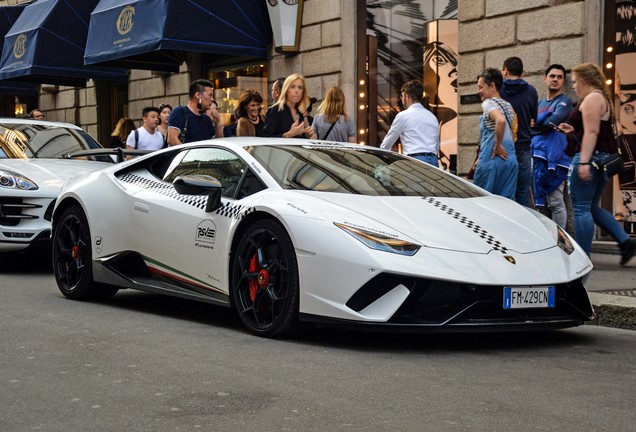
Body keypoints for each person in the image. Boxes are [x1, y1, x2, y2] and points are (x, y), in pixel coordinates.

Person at [558, 62, 636, 264]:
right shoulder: (602, 98)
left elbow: (592, 132)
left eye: (575, 82)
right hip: (601, 159)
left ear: (585, 80)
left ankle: (583, 257)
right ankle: (625, 242)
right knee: (592, 206)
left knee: (581, 208)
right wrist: (573, 130)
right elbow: (593, 130)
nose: (573, 86)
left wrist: (583, 162)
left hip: (591, 158)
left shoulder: (593, 98)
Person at [530, 64, 573, 228]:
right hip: (537, 156)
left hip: (556, 158)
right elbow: (532, 125)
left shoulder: (565, 101)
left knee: (556, 201)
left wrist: (538, 125)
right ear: (545, 78)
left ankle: (562, 241)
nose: (555, 79)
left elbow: (552, 121)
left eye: (559, 77)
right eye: (552, 76)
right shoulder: (539, 103)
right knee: (539, 202)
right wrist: (541, 125)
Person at [472, 68, 519, 199]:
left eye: (481, 87)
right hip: (510, 161)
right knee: (507, 207)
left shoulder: (488, 103)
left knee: (483, 204)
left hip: (492, 161)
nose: (478, 91)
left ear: (492, 86)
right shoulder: (508, 105)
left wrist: (498, 145)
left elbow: (501, 121)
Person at [500, 56, 538, 207]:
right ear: (522, 73)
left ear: (506, 71)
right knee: (522, 193)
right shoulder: (531, 91)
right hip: (523, 147)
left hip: (502, 148)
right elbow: (534, 118)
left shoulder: (498, 89)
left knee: (503, 193)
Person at [379, 80, 440, 166]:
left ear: (406, 96)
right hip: (433, 160)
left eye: (402, 96)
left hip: (414, 160)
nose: (402, 99)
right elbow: (436, 146)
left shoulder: (403, 116)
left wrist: (381, 158)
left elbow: (388, 142)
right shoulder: (432, 117)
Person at [263, 73, 313, 139]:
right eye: (292, 87)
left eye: (300, 87)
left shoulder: (299, 112)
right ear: (286, 90)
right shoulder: (276, 110)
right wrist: (288, 134)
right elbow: (265, 138)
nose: (297, 91)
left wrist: (307, 135)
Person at [167, 79, 216, 145]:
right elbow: (172, 139)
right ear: (198, 95)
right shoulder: (180, 112)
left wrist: (218, 123)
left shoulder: (206, 119)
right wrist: (190, 155)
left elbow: (216, 142)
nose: (212, 99)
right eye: (210, 95)